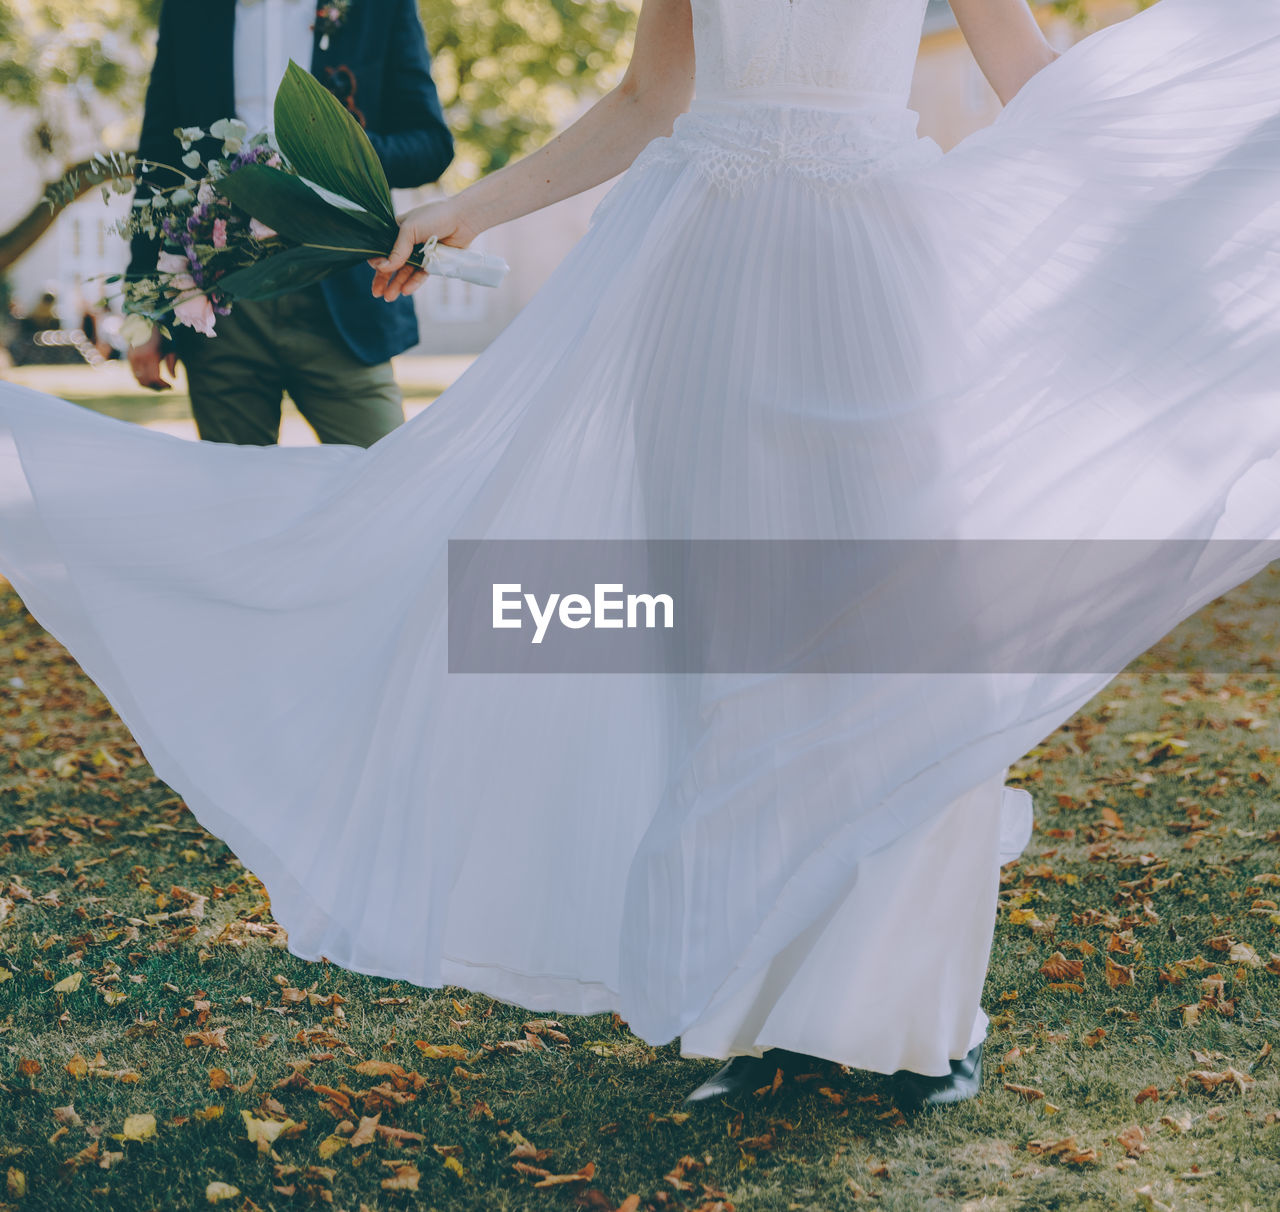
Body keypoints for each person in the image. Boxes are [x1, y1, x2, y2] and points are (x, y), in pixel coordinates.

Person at [4, 0, 1280, 1113]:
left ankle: (906, 1022)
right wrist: (467, 205)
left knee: (897, 633)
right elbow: (644, 98)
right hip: (700, 277)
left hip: (872, 269)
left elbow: (1026, 69)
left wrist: (1193, 154)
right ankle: (763, 1013)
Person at [125, 0, 454, 446]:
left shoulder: (380, 7)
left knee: (386, 484)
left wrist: (335, 150)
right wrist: (144, 308)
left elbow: (431, 145)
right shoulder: (189, 9)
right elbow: (157, 160)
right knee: (236, 502)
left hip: (342, 291)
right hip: (220, 301)